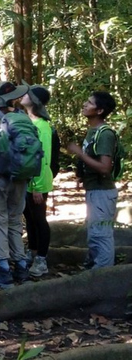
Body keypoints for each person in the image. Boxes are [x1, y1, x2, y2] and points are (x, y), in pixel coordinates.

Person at [67, 91, 119, 270]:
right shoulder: (93, 131)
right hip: (94, 190)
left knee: (101, 235)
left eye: (89, 103)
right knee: (94, 233)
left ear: (99, 110)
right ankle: (95, 270)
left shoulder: (105, 134)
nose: (84, 105)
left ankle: (103, 277)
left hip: (102, 192)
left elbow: (105, 167)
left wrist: (79, 153)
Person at [0, 81, 30, 287]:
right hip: (22, 175)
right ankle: (21, 264)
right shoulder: (23, 117)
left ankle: (3, 269)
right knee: (14, 219)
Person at [21, 85, 53, 277]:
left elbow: (44, 157)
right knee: (30, 220)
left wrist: (38, 187)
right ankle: (31, 252)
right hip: (27, 181)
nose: (23, 96)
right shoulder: (27, 122)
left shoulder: (42, 126)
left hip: (38, 183)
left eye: (27, 94)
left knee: (40, 220)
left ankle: (41, 259)